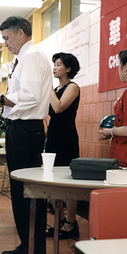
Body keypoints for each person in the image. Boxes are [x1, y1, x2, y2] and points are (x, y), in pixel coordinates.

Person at [0, 16, 52, 254]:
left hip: (26, 129)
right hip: (21, 129)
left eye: (7, 38)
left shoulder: (31, 56)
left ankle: (32, 253)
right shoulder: (25, 58)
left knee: (27, 192)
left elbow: (29, 98)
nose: (6, 44)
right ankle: (26, 244)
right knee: (22, 192)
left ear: (21, 33)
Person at [45, 52, 80, 239]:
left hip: (66, 138)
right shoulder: (57, 89)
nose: (54, 67)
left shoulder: (73, 87)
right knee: (52, 179)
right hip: (53, 138)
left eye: (58, 64)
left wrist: (48, 88)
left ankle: (71, 223)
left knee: (68, 180)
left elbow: (58, 108)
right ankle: (58, 220)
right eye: (54, 64)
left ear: (68, 68)